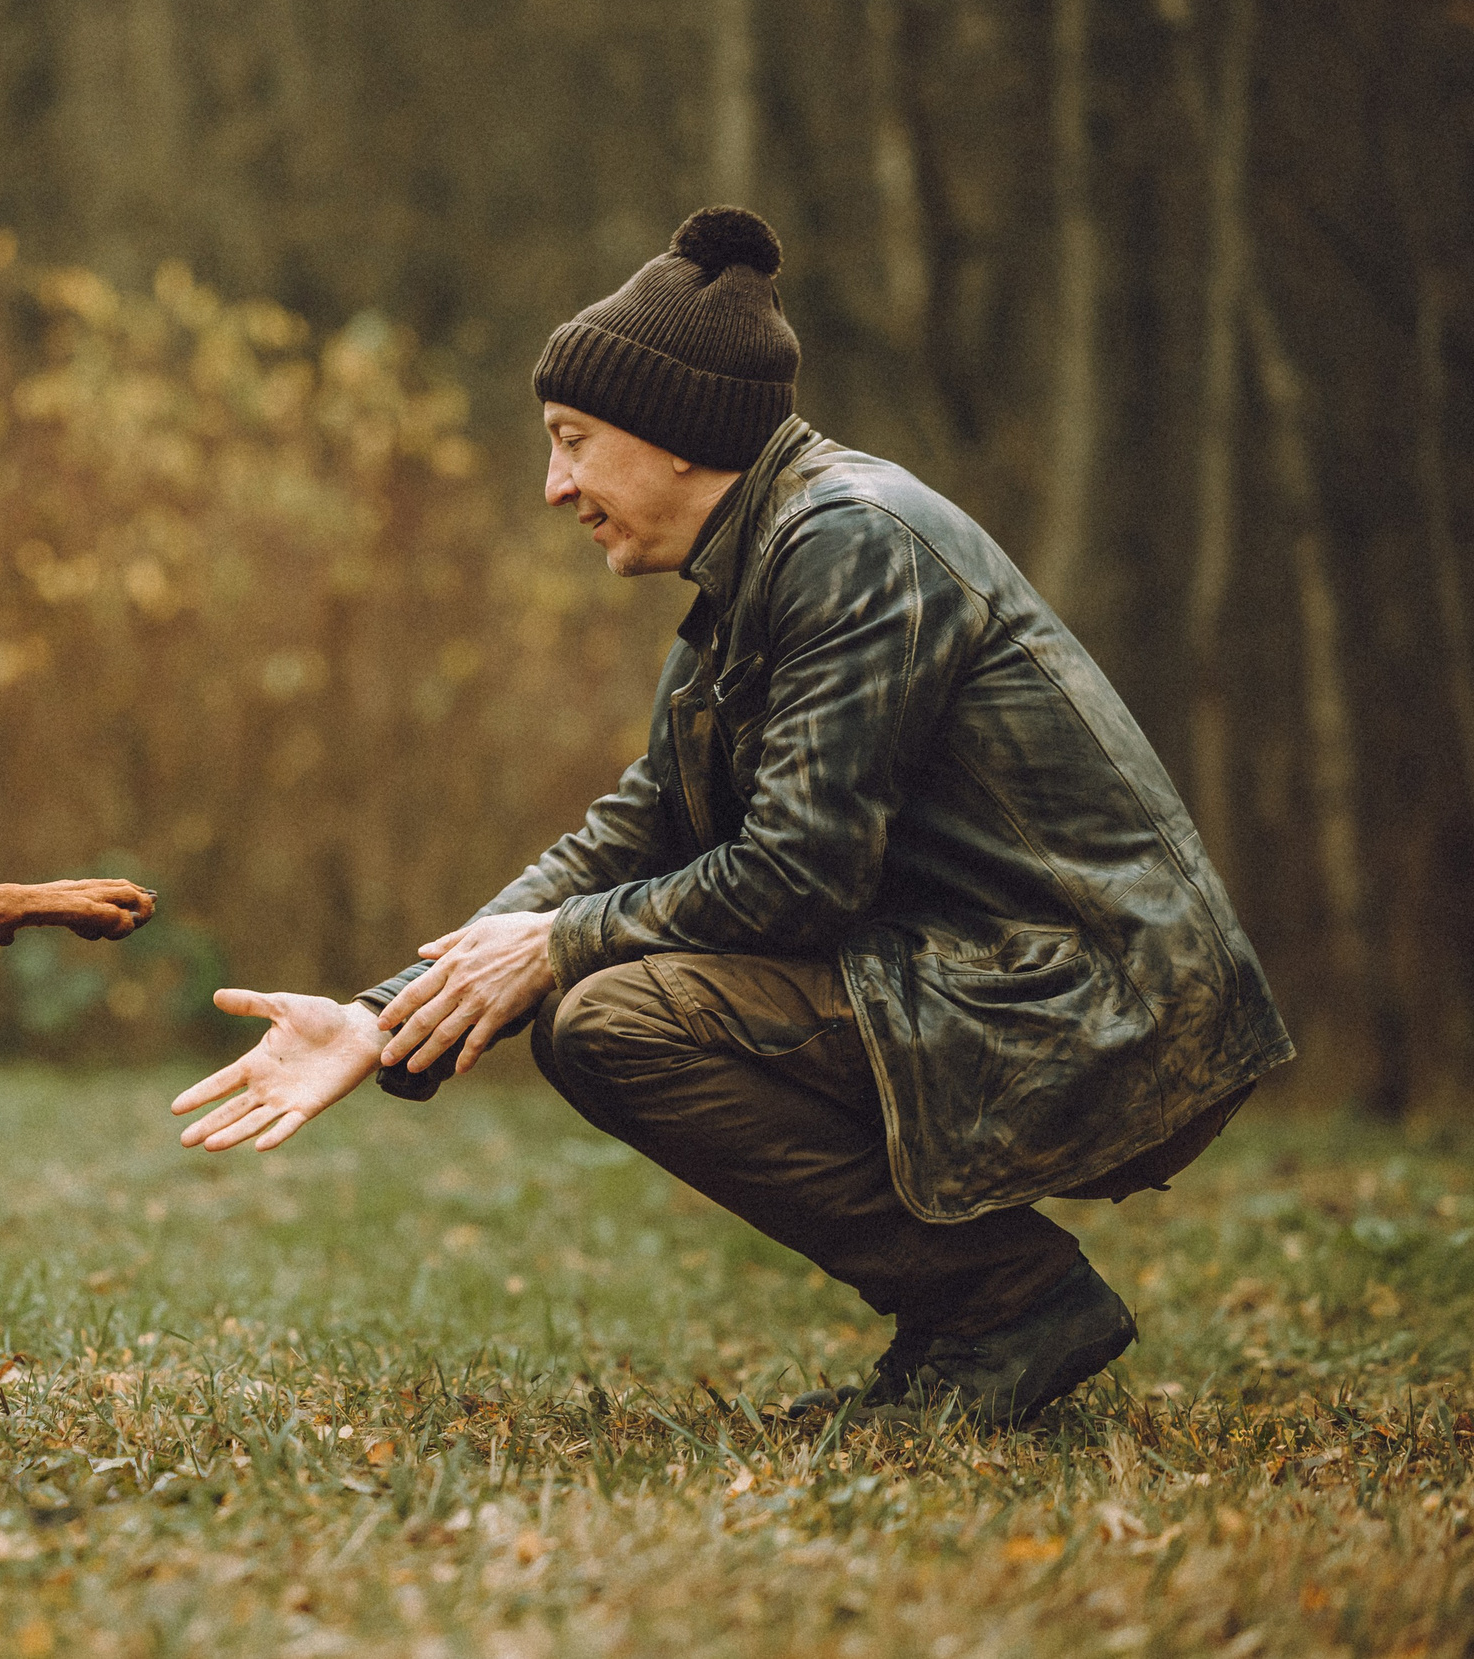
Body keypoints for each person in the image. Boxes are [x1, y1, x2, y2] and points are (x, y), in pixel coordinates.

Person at [171, 206, 1292, 1426]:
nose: (554, 487)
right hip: (1000, 976)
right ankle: (976, 1315)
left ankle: (1006, 1304)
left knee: (614, 1020)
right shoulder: (755, 575)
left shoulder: (849, 542)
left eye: (572, 441)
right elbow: (638, 829)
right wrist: (377, 1014)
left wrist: (561, 944)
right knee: (598, 1004)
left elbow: (800, 874)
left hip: (1105, 995)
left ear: (675, 436)